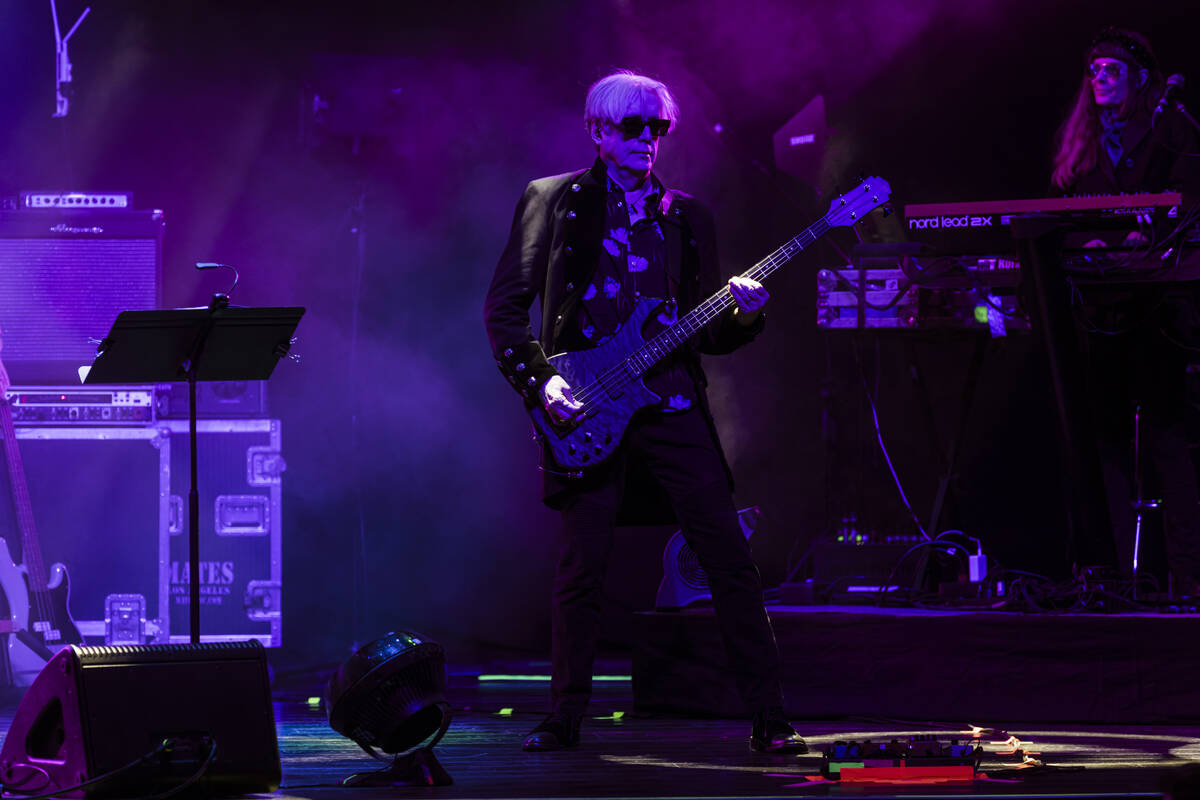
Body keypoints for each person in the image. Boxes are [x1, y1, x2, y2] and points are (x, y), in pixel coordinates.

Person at [483, 70, 806, 753]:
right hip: (588, 399)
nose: (648, 141)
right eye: (633, 127)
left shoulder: (688, 215)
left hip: (672, 402)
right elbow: (505, 308)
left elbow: (703, 330)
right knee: (582, 567)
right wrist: (541, 382)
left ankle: (770, 716)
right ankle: (564, 716)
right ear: (598, 131)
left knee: (727, 559)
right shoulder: (552, 201)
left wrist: (744, 315)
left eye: (658, 128)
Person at [1049, 28, 1200, 595]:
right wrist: (1084, 244)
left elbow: (1185, 205)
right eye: (1094, 71)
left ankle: (1188, 579)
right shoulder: (1082, 149)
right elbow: (1061, 217)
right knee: (1103, 439)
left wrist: (1149, 236)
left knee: (1167, 436)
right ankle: (1105, 576)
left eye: (1112, 70)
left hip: (1157, 307)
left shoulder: (1164, 135)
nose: (1100, 78)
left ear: (1139, 79)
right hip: (1100, 310)